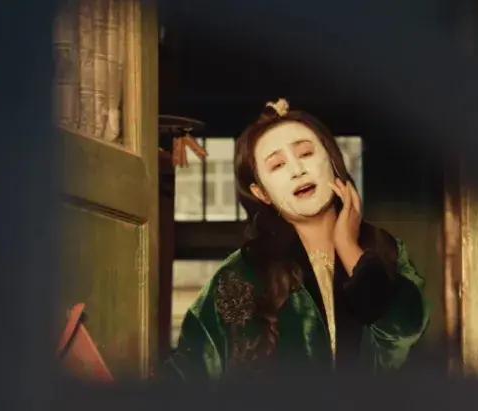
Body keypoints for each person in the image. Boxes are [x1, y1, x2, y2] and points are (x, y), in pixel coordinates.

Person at [166, 99, 428, 381]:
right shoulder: (241, 274)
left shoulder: (385, 249)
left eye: (305, 153)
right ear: (262, 193)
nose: (297, 170)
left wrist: (349, 247)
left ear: (332, 160)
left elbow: (405, 331)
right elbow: (187, 375)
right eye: (277, 165)